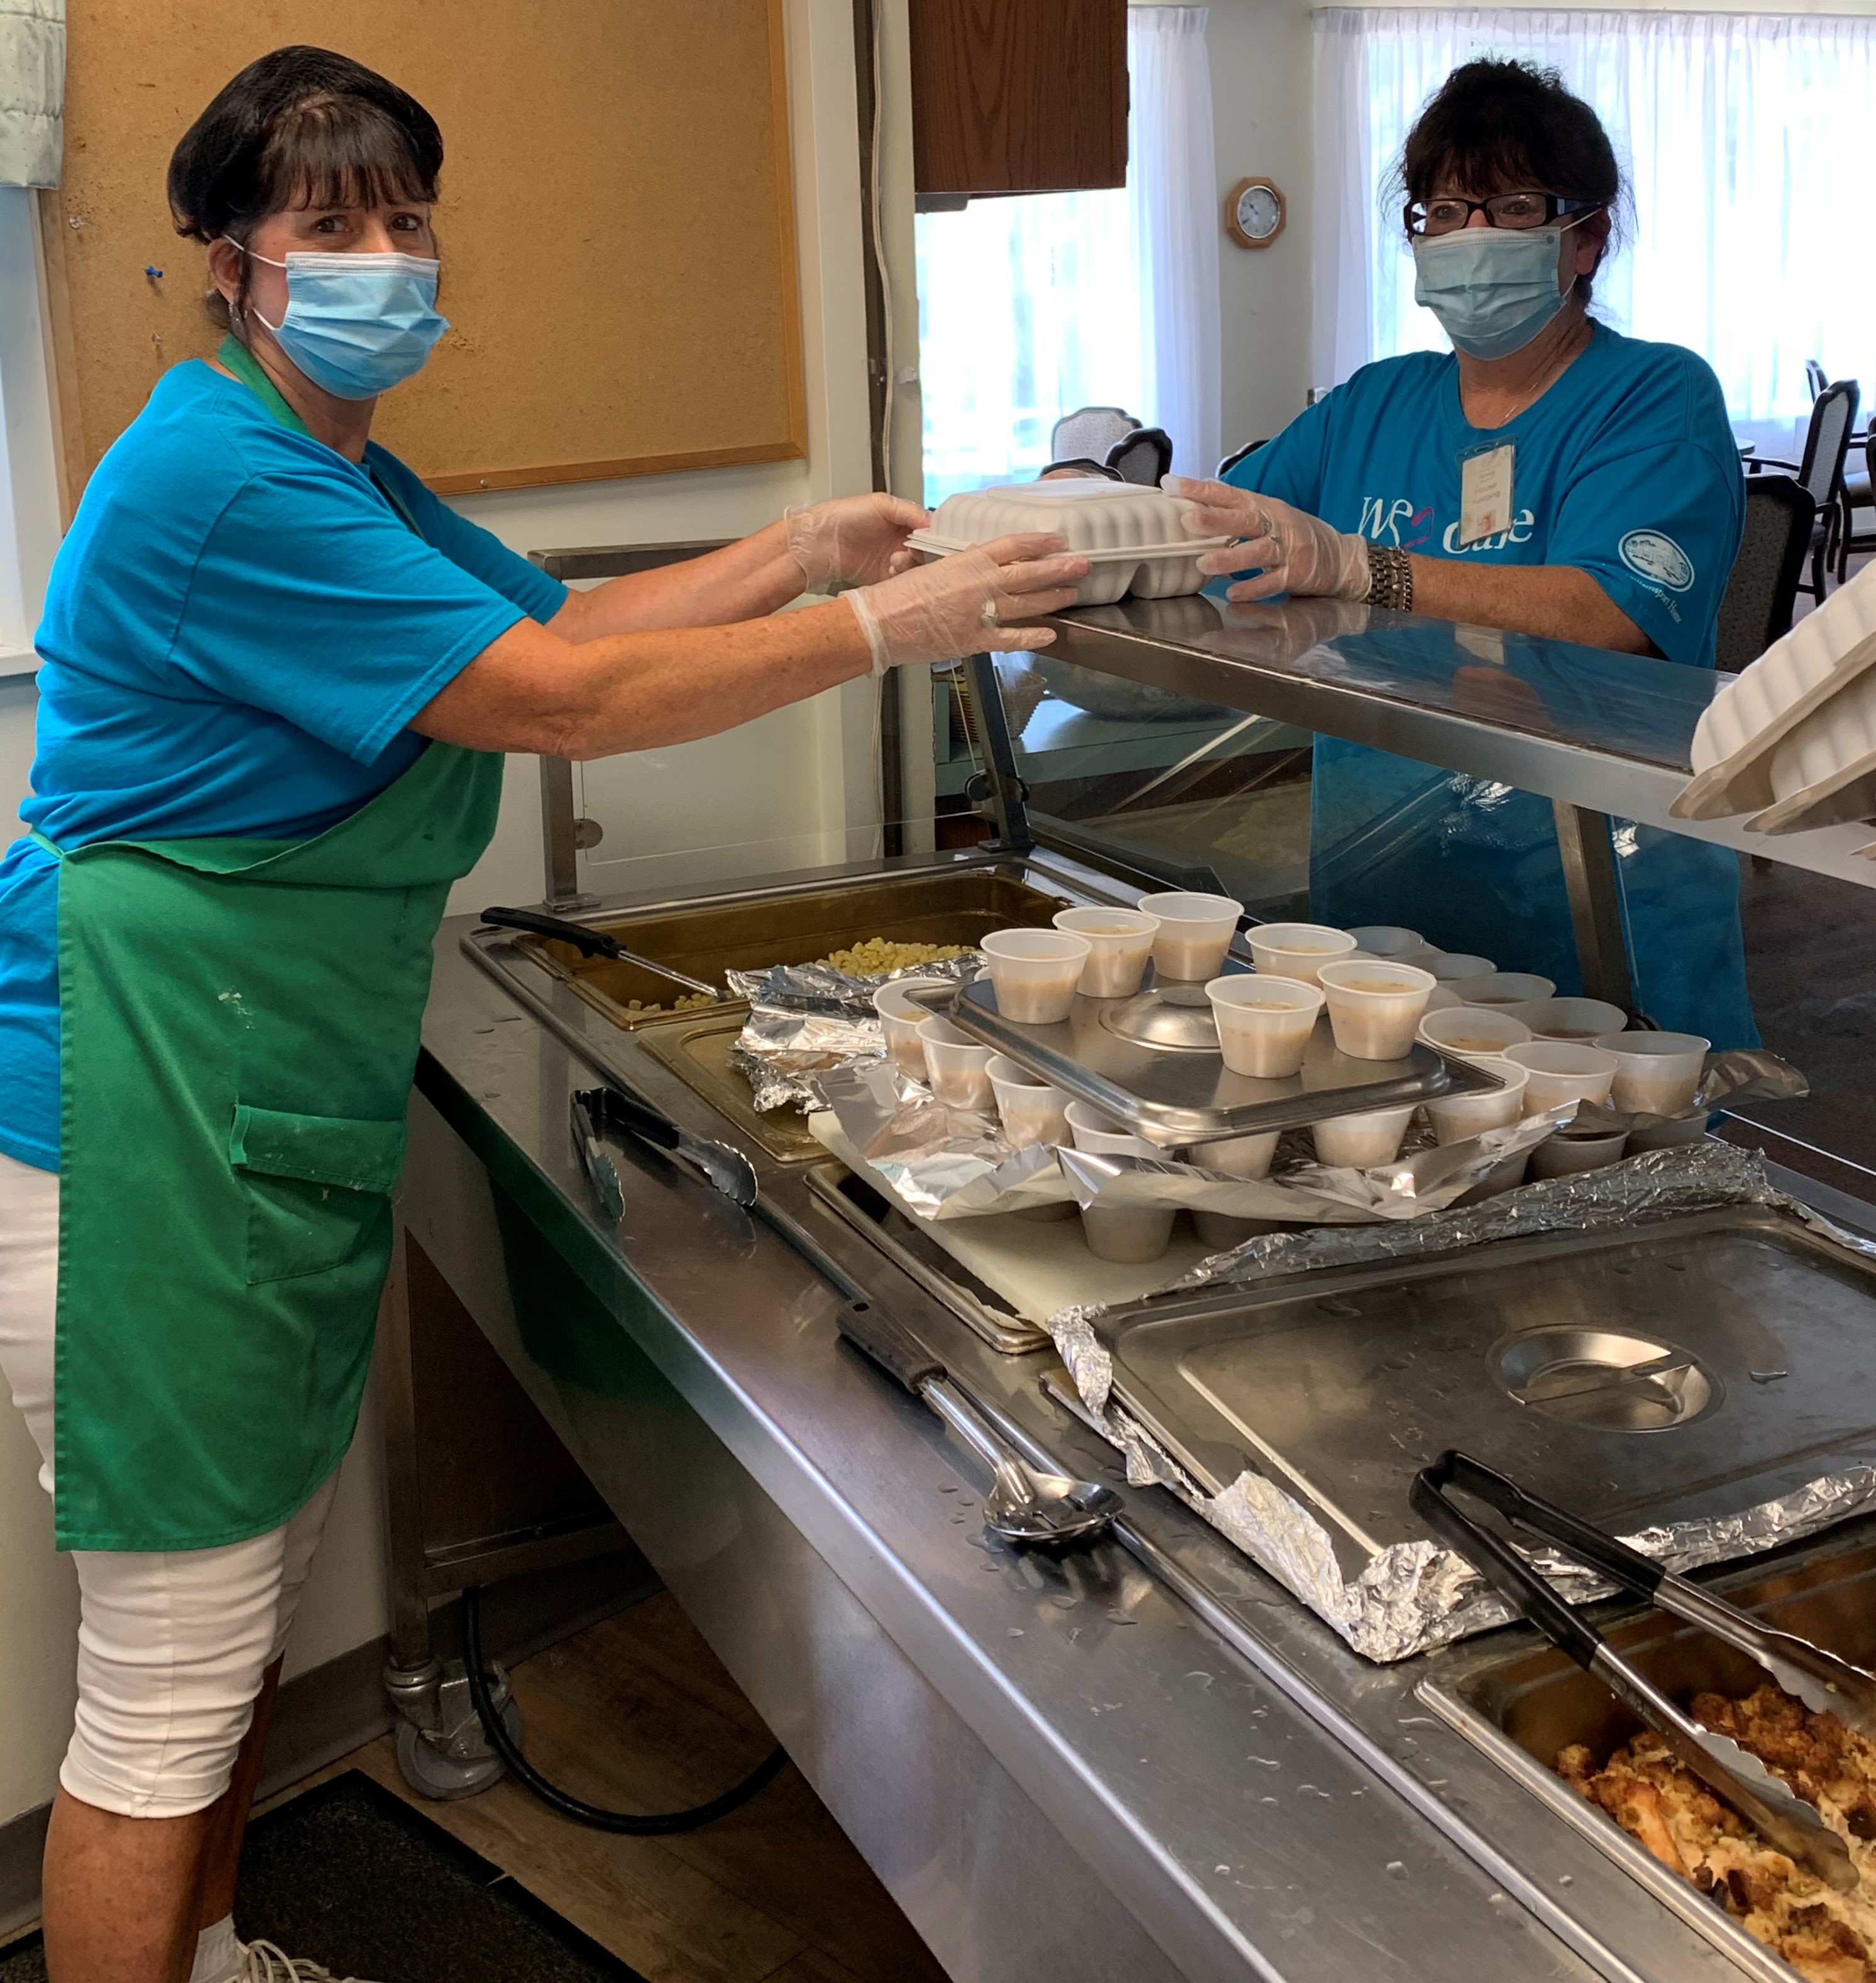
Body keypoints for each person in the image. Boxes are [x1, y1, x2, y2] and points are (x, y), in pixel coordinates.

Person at [0, 46, 1087, 1983]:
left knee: (232, 1633)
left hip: (239, 1092)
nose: (383, 258)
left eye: (408, 219)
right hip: (132, 1111)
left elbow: (564, 626)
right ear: (228, 261)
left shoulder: (340, 463)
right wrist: (884, 634)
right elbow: (556, 708)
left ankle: (222, 1953)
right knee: (161, 1687)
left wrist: (805, 550)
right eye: (329, 223)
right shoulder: (215, 472)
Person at [1166, 58, 1752, 1044]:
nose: (1468, 238)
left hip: (1595, 895)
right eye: (1441, 213)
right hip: (1385, 877)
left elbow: (1605, 615)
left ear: (1586, 237)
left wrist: (1364, 568)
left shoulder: (1655, 397)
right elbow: (1210, 528)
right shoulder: (1374, 402)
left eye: (1509, 207)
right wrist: (1085, 511)